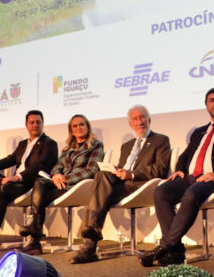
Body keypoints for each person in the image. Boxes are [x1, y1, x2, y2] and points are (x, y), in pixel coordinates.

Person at [141, 88, 214, 267]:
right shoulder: (199, 132)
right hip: (190, 177)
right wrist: (178, 169)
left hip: (213, 179)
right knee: (161, 192)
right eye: (212, 100)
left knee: (191, 194)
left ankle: (166, 245)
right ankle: (175, 251)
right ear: (207, 105)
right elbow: (185, 155)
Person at [70, 105, 171, 264]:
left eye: (142, 117)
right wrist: (117, 171)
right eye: (135, 119)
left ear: (149, 120)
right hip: (123, 184)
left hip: (142, 185)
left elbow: (160, 169)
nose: (140, 122)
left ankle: (90, 245)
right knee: (101, 175)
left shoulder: (160, 140)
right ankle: (93, 233)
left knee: (99, 191)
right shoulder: (127, 146)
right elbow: (124, 168)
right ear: (130, 124)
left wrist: (131, 174)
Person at [0, 110, 60, 253]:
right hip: (13, 184)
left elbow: (39, 166)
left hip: (31, 183)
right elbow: (9, 160)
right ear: (26, 125)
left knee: (0, 190)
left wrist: (17, 177)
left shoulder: (49, 144)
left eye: (38, 122)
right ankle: (1, 182)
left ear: (43, 124)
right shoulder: (23, 144)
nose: (35, 125)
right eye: (31, 122)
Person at [18, 114, 103, 255]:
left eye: (81, 124)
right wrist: (57, 175)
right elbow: (57, 167)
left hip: (78, 186)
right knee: (39, 183)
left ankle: (34, 238)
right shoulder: (67, 148)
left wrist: (66, 178)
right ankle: (34, 233)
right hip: (62, 185)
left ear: (87, 126)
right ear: (71, 130)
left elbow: (91, 170)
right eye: (74, 126)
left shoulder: (96, 145)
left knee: (41, 196)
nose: (78, 128)